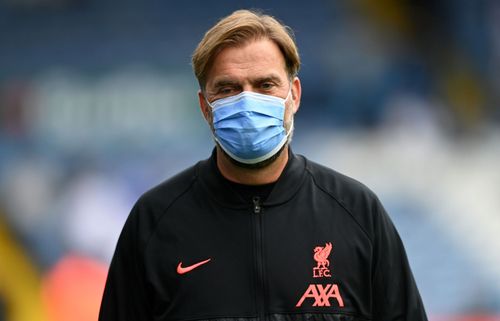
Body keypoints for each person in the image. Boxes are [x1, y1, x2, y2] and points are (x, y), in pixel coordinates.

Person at [99, 9, 428, 321]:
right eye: (227, 89)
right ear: (204, 106)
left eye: (265, 85)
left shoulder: (357, 212)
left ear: (294, 95)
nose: (246, 101)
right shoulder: (155, 220)